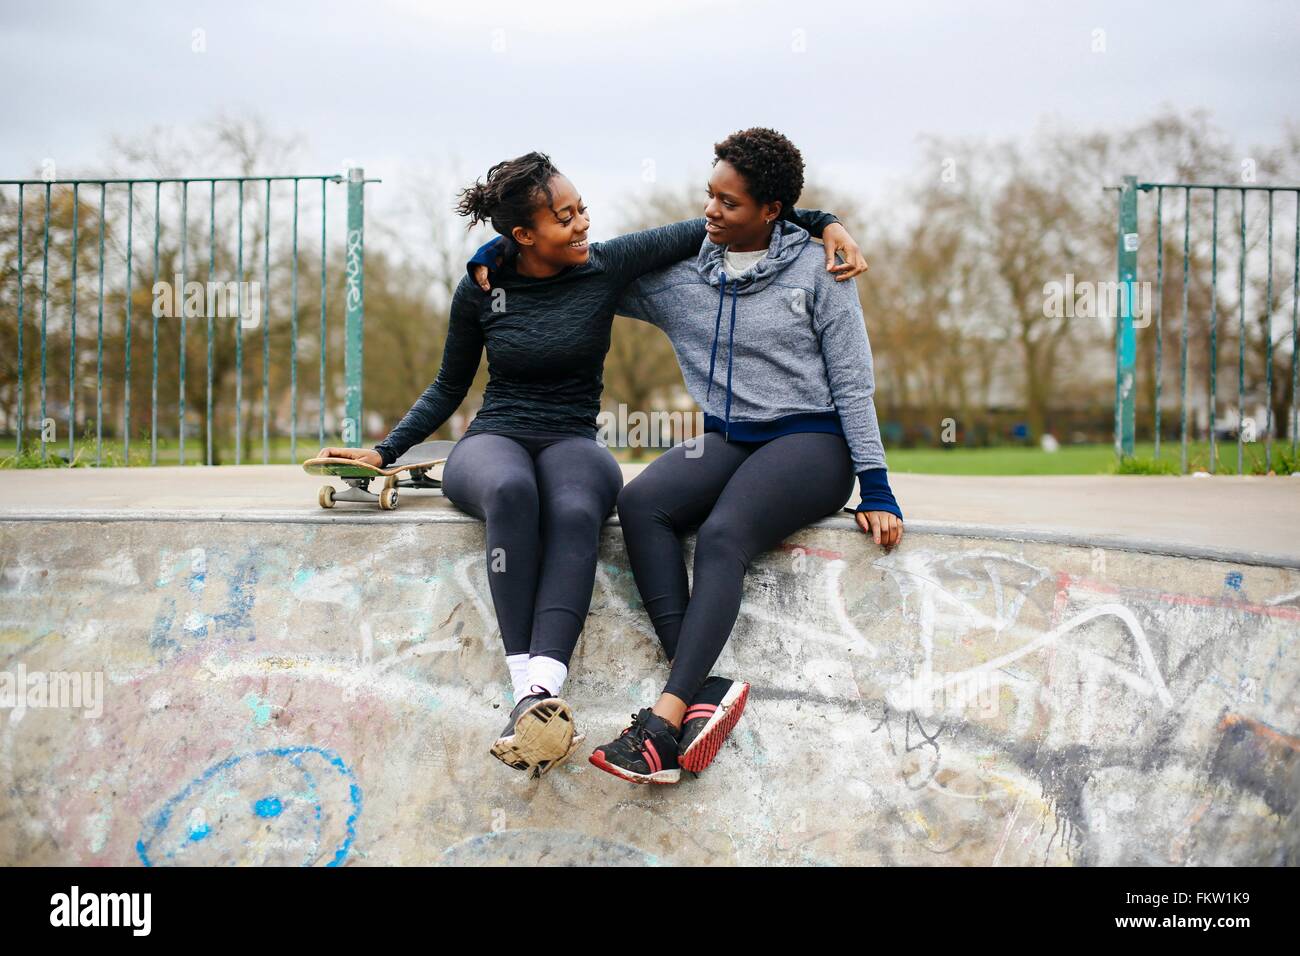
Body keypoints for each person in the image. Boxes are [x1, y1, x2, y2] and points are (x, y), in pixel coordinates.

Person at [320, 150, 865, 778]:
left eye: (581, 210)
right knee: (511, 492)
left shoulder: (606, 266)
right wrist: (385, 451)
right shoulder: (483, 288)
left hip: (573, 438)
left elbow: (740, 222)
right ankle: (530, 691)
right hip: (494, 435)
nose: (582, 225)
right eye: (564, 218)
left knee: (581, 505)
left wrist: (826, 222)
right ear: (522, 235)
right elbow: (448, 387)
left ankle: (571, 695)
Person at [480, 129, 903, 785]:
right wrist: (506, 245)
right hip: (729, 434)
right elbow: (577, 268)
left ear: (772, 211)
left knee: (725, 533)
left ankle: (666, 718)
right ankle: (704, 688)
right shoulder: (681, 276)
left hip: (812, 440)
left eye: (729, 204)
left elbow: (853, 382)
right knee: (643, 502)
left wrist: (875, 485)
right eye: (709, 195)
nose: (710, 211)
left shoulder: (821, 269)